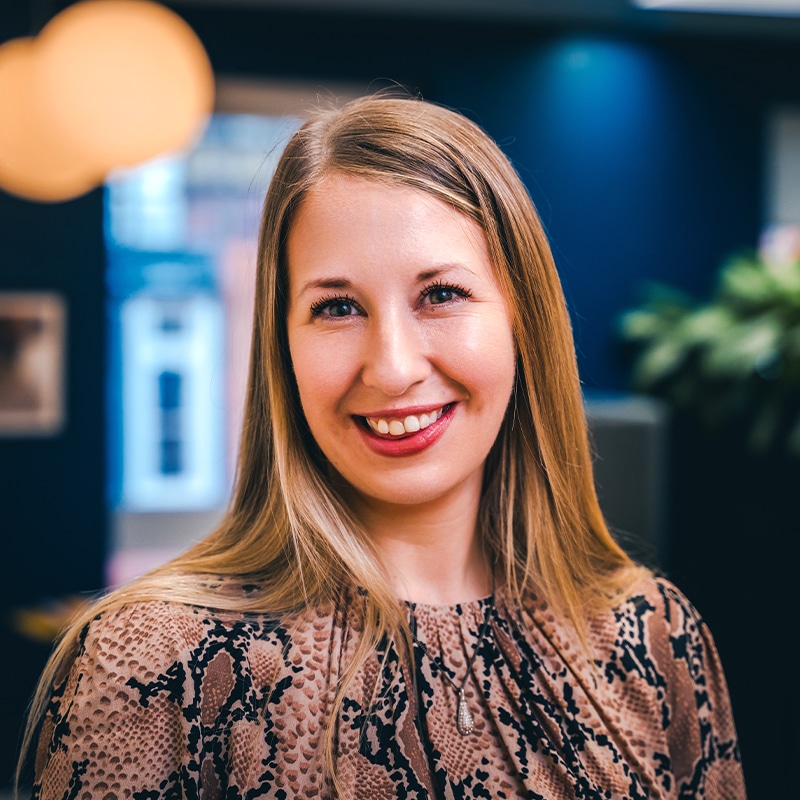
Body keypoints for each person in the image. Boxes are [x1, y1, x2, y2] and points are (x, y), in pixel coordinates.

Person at [21, 93, 746, 800]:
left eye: (441, 295)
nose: (393, 366)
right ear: (283, 347)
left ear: (523, 321)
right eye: (336, 307)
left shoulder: (653, 635)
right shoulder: (149, 661)